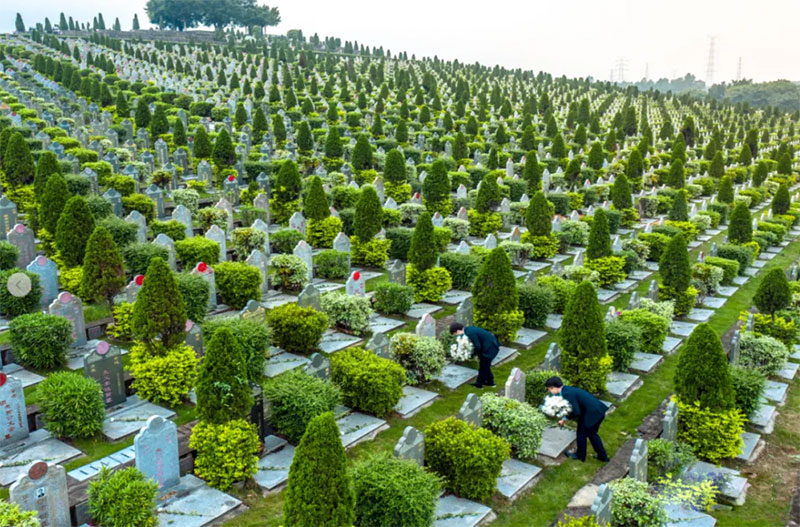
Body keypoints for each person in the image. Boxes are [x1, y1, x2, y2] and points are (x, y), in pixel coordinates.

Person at [544, 376, 609, 462]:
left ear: (553, 387)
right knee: (592, 434)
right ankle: (603, 456)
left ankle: (580, 456)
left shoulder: (567, 394)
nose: (549, 391)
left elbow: (575, 412)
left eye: (549, 389)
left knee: (581, 434)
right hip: (598, 411)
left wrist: (565, 418)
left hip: (591, 414)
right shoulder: (567, 389)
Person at [449, 322, 499, 388]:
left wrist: (472, 355)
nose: (456, 335)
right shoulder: (468, 329)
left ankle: (479, 384)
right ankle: (490, 382)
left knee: (483, 366)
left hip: (490, 348)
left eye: (455, 334)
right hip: (488, 346)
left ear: (458, 331)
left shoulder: (469, 333)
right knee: (485, 366)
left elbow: (478, 346)